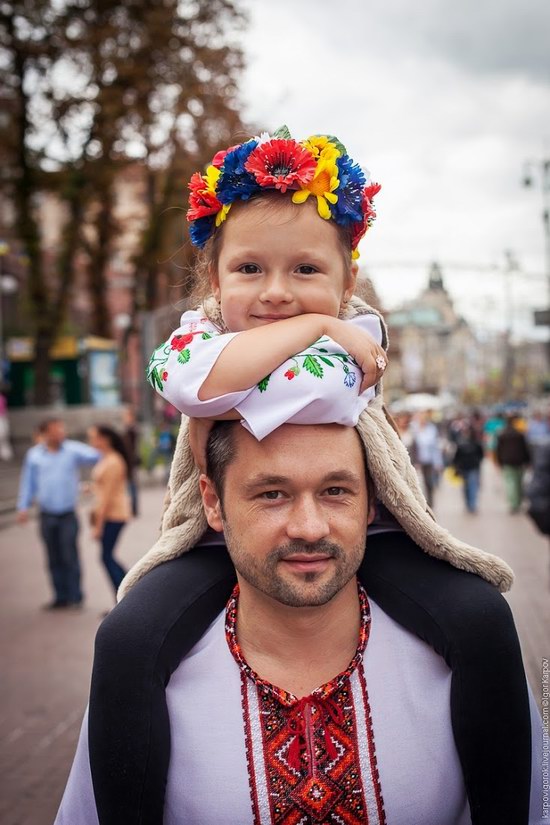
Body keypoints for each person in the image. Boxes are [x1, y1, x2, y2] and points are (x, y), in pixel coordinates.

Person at [84, 130, 530, 823]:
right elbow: (197, 386)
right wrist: (316, 330)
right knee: (126, 636)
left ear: (348, 279)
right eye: (250, 270)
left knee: (480, 616)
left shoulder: (362, 329)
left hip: (371, 532)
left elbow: (283, 385)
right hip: (220, 539)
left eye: (305, 272)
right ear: (214, 279)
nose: (277, 295)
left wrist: (333, 333)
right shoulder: (201, 338)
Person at [56, 422, 543, 824]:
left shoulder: (467, 658)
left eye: (336, 491)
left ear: (373, 499)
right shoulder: (144, 678)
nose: (309, 528)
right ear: (211, 501)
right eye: (271, 494)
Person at [16, 418, 99, 609]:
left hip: (67, 515)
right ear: (44, 434)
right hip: (46, 515)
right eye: (55, 431)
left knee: (70, 555)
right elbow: (28, 482)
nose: (60, 433)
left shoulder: (72, 450)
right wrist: (23, 506)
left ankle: (75, 597)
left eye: (61, 429)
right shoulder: (34, 455)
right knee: (53, 556)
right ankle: (60, 597)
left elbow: (99, 456)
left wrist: (98, 481)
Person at [87, 425, 132, 597]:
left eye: (93, 437)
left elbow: (107, 497)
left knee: (106, 557)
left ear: (104, 439)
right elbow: (103, 487)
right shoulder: (107, 458)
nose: (91, 441)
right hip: (110, 513)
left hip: (114, 514)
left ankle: (125, 594)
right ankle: (124, 595)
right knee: (107, 556)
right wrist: (91, 487)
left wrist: (98, 525)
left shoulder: (113, 461)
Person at [495, 415, 531, 514]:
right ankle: (518, 502)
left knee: (510, 483)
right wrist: (528, 461)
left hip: (507, 461)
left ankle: (513, 503)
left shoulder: (502, 434)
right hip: (519, 461)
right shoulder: (519, 434)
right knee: (519, 482)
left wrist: (499, 461)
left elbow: (499, 450)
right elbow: (525, 449)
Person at [410, 410, 443, 508]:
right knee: (417, 484)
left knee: (429, 483)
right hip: (416, 461)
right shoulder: (413, 428)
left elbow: (435, 447)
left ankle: (430, 504)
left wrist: (438, 462)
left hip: (429, 460)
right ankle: (419, 504)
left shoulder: (431, 429)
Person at [452, 424, 485, 514]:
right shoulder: (477, 443)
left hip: (464, 468)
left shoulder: (460, 443)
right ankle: (472, 505)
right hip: (473, 467)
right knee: (472, 487)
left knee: (466, 487)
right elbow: (481, 455)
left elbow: (456, 458)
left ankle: (469, 504)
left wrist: (456, 466)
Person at [121, 407, 140, 517]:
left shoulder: (131, 430)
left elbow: (130, 447)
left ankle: (133, 509)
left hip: (130, 461)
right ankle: (132, 508)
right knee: (131, 484)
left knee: (132, 485)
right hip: (130, 460)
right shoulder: (130, 429)